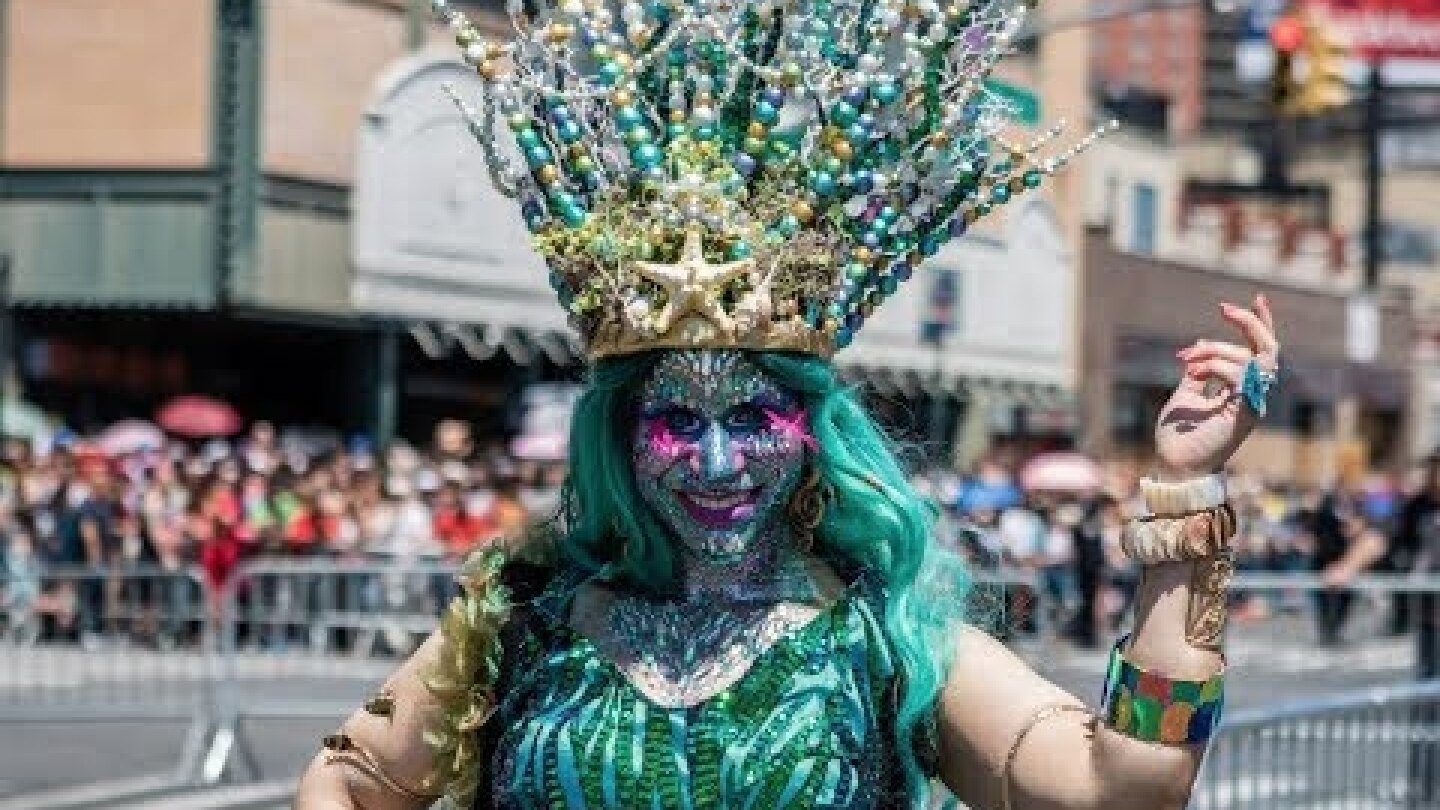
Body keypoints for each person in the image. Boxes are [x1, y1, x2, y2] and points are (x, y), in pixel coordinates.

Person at [294, 1, 1282, 806]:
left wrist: (1186, 496)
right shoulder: (521, 621)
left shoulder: (884, 638)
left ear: (811, 431)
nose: (717, 464)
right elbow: (349, 778)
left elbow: (1128, 789)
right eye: (678, 420)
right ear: (622, 438)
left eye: (752, 419)